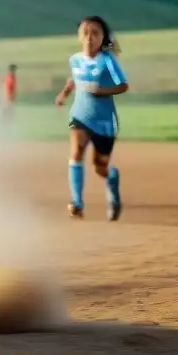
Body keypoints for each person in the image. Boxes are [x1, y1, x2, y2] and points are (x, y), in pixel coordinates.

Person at [54, 16, 129, 220]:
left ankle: (113, 186)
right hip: (80, 116)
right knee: (76, 152)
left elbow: (123, 85)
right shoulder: (75, 59)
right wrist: (64, 94)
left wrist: (101, 91)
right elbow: (74, 77)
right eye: (85, 32)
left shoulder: (107, 60)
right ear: (79, 35)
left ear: (103, 37)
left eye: (95, 33)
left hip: (104, 121)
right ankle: (76, 202)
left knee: (100, 166)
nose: (89, 37)